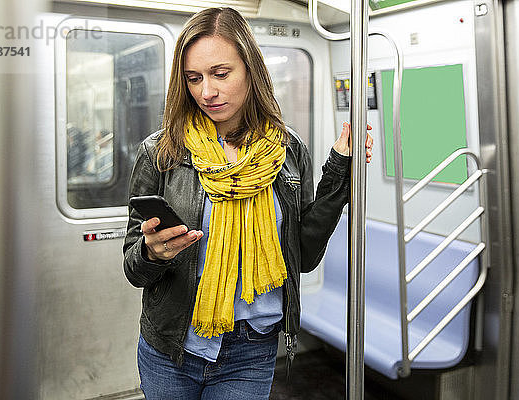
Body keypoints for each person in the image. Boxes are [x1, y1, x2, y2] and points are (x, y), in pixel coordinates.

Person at [123, 7, 373, 400]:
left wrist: (339, 172)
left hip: (251, 348)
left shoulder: (288, 152)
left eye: (221, 74)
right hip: (172, 347)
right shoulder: (161, 152)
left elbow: (303, 257)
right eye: (194, 78)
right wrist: (151, 253)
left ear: (250, 69)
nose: (207, 91)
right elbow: (133, 269)